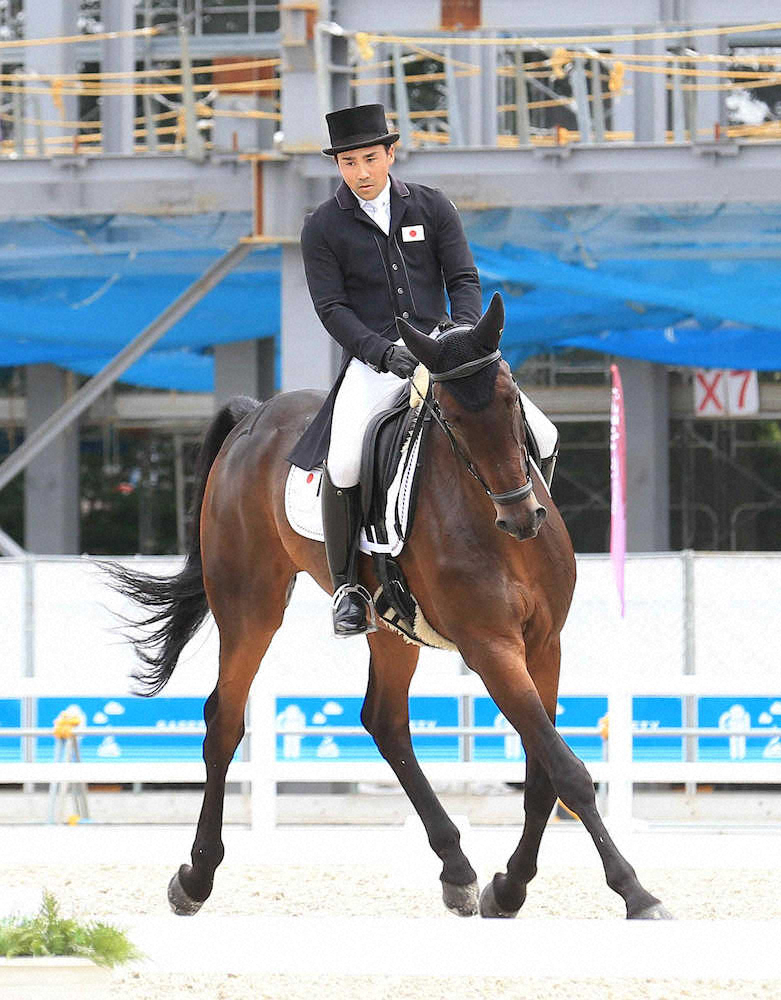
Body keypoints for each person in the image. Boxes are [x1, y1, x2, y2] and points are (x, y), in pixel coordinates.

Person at [288, 103, 483, 637]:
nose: (361, 173)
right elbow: (331, 309)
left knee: (534, 426)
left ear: (391, 153)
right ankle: (349, 585)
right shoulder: (323, 227)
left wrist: (461, 336)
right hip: (376, 361)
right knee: (346, 460)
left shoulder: (433, 206)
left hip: (444, 349)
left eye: (370, 159)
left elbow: (463, 278)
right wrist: (380, 352)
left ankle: (526, 528)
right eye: (348, 163)